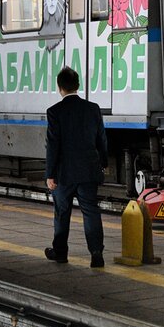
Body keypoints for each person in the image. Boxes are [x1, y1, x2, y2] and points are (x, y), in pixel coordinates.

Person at [44, 67, 108, 268]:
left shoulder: (54, 112)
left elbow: (53, 145)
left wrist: (50, 174)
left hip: (64, 173)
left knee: (62, 212)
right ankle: (96, 253)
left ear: (59, 87)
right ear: (78, 85)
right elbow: (101, 140)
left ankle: (60, 253)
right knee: (90, 211)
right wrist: (103, 163)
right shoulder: (93, 108)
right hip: (88, 170)